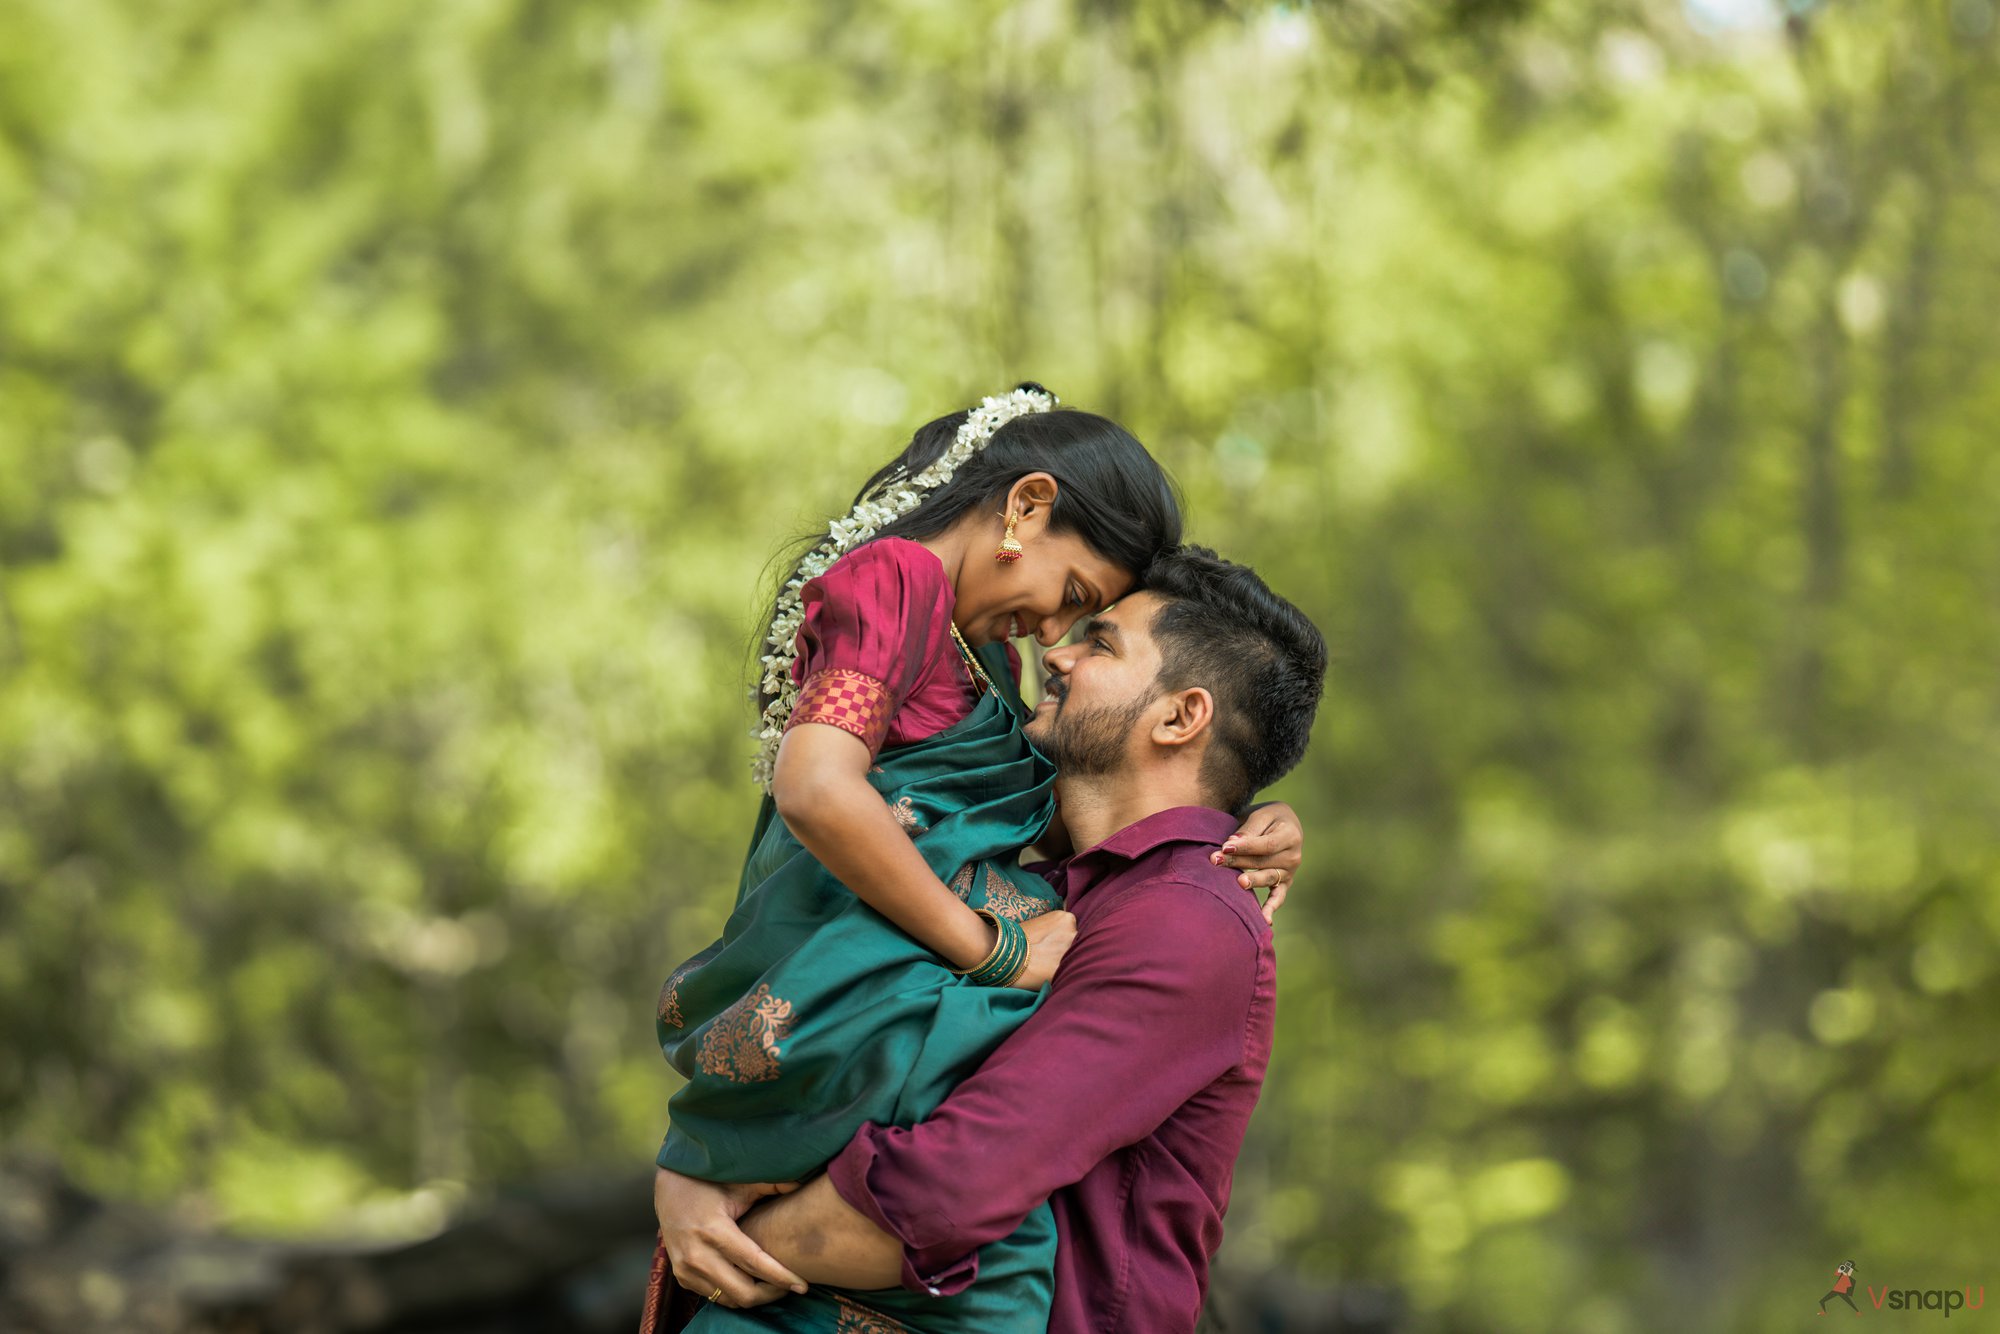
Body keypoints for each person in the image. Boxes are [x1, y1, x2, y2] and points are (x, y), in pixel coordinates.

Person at [642, 387, 1306, 1333]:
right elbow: (827, 790)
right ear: (1025, 508)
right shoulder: (912, 598)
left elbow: (944, 1189)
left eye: (1093, 629)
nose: (1053, 646)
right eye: (1071, 605)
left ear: (1180, 716)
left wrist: (704, 1216)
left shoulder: (1181, 914)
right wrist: (988, 947)